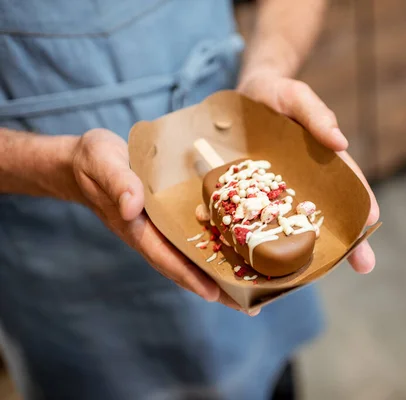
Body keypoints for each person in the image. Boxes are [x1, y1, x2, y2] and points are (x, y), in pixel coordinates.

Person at [0, 0, 380, 399]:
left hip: (232, 128)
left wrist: (268, 67)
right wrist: (57, 168)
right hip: (56, 248)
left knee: (266, 369)